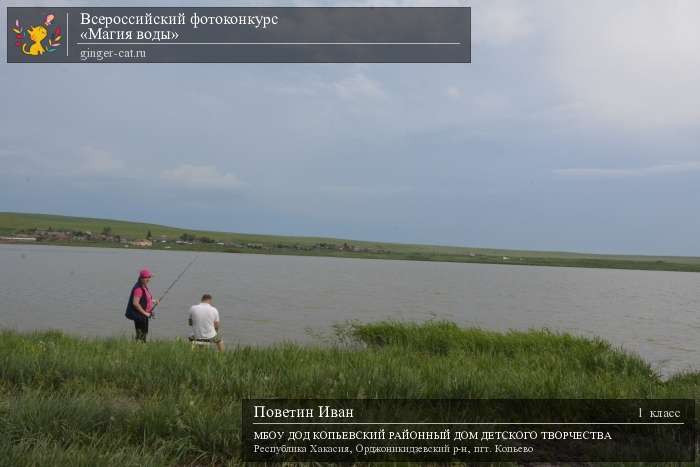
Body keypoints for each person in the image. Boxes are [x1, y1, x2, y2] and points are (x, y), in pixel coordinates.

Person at [124, 268, 158, 341]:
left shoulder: (143, 286)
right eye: (147, 277)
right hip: (140, 316)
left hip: (144, 315)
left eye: (149, 277)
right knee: (141, 335)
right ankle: (140, 348)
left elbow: (145, 298)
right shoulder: (138, 289)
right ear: (141, 278)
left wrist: (153, 301)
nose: (149, 279)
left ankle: (140, 347)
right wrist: (145, 313)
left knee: (144, 333)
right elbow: (135, 303)